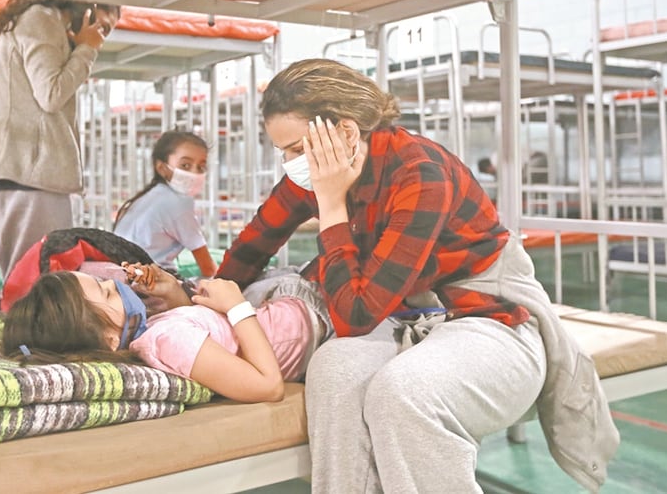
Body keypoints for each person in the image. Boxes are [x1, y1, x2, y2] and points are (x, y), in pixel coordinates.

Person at [214, 58, 618, 493]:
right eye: (283, 153)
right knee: (332, 367)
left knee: (404, 392)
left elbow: (355, 316)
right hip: (407, 320)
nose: (290, 163)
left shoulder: (419, 174)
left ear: (346, 133)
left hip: (486, 320)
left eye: (296, 149)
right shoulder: (318, 170)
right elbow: (255, 243)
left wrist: (332, 207)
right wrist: (212, 302)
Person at [0, 0, 120, 281]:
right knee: (35, 279)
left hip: (26, 173)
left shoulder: (43, 22)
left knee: (36, 277)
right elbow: (51, 94)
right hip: (27, 172)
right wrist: (87, 49)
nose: (101, 37)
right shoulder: (41, 18)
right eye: (102, 27)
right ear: (88, 12)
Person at [2, 265, 330, 403]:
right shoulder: (167, 341)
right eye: (107, 293)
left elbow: (210, 335)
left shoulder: (151, 334)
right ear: (109, 340)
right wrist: (237, 305)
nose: (117, 284)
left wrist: (172, 292)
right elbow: (268, 385)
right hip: (315, 323)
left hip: (285, 304)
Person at [112, 130, 217, 277]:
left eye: (200, 167)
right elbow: (208, 268)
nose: (194, 173)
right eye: (185, 165)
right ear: (162, 168)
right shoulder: (178, 202)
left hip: (123, 273)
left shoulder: (152, 195)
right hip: (146, 280)